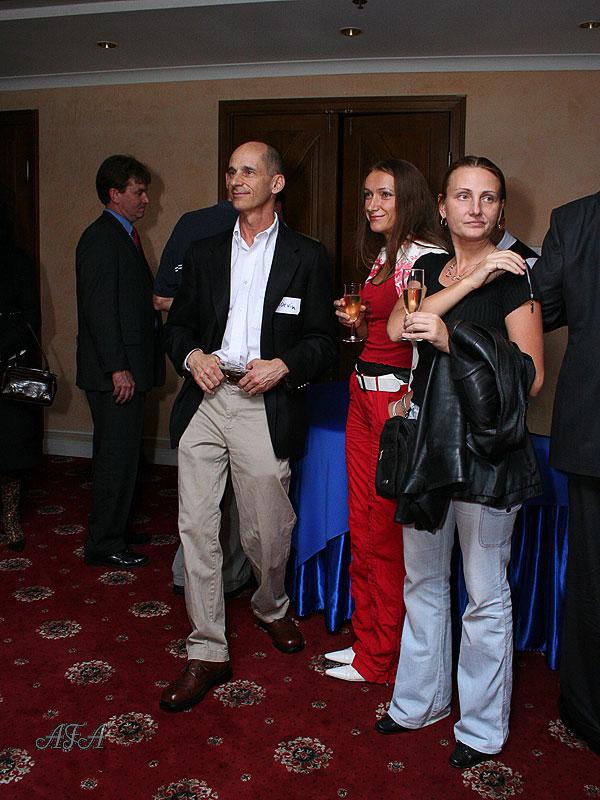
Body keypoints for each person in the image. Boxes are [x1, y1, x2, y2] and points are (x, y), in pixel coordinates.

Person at [160, 141, 337, 712]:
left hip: (265, 404)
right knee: (197, 525)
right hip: (207, 399)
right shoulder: (205, 251)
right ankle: (207, 647)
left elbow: (324, 342)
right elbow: (177, 327)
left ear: (276, 183)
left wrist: (283, 365)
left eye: (248, 171)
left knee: (267, 529)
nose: (236, 180)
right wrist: (193, 357)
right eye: (231, 171)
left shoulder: (308, 256)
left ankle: (270, 605)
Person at [379, 156, 544, 768]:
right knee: (422, 580)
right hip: (428, 443)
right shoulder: (426, 267)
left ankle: (479, 727)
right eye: (463, 195)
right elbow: (398, 327)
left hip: (487, 451)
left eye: (488, 197)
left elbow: (531, 376)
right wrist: (471, 282)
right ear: (442, 207)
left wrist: (454, 341)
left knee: (484, 592)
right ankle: (419, 701)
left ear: (500, 210)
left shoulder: (516, 275)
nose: (476, 207)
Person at [326, 159, 447, 684]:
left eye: (385, 194)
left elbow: (420, 337)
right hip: (361, 391)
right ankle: (366, 642)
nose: (372, 204)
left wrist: (410, 397)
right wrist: (355, 323)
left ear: (409, 199)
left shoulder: (425, 257)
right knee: (363, 523)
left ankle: (380, 658)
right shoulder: (384, 256)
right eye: (368, 195)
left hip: (393, 401)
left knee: (383, 531)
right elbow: (376, 333)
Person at [153, 199, 252, 598]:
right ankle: (202, 581)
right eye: (237, 172)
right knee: (204, 500)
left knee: (237, 498)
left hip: (251, 384)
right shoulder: (198, 229)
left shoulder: (284, 243)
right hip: (206, 377)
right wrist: (220, 313)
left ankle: (227, 577)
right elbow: (162, 300)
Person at [533, 191, 600, 756]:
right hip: (591, 430)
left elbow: (540, 306)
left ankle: (588, 711)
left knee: (592, 577)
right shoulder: (574, 220)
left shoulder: (576, 220)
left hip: (591, 426)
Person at [76, 154, 165, 568]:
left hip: (127, 368)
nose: (146, 199)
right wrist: (118, 368)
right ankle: (104, 543)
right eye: (139, 192)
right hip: (114, 373)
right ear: (115, 194)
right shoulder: (100, 238)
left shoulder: (125, 235)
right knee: (115, 459)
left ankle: (116, 530)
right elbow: (99, 312)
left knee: (125, 457)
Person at [0, 189, 41, 551]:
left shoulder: (18, 261)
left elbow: (32, 318)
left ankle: (10, 519)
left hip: (10, 366)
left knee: (11, 449)